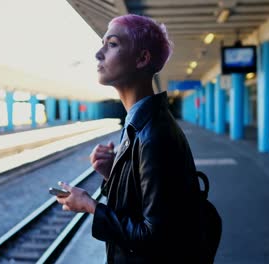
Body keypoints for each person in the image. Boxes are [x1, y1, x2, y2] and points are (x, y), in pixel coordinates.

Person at [55, 14, 205, 263]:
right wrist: (114, 172)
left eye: (112, 44)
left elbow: (154, 238)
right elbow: (144, 203)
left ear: (142, 59)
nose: (98, 54)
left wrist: (91, 206)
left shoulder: (154, 134)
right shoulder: (143, 122)